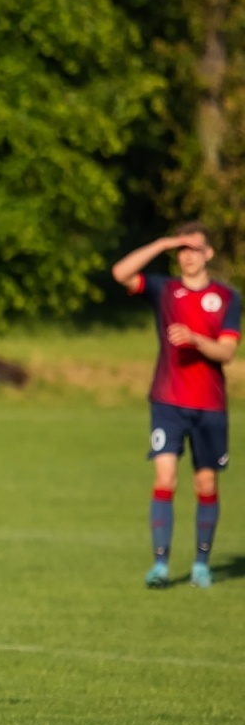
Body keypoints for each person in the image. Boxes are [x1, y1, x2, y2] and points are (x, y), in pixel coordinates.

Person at [112, 222, 240, 589]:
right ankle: (160, 566)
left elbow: (227, 352)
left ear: (208, 253)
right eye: (182, 249)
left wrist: (196, 339)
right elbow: (121, 273)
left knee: (205, 482)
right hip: (167, 400)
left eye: (195, 248)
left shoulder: (227, 297)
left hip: (209, 404)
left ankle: (201, 564)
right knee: (165, 477)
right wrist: (162, 242)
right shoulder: (164, 290)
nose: (188, 255)